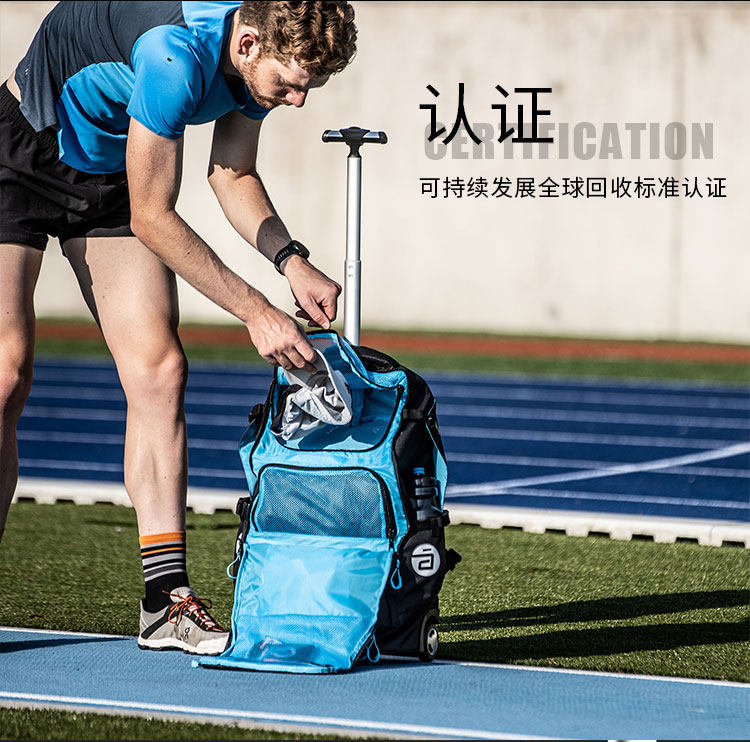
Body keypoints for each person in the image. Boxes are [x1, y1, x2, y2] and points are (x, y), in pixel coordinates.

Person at [0, 0, 356, 655]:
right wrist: (257, 311)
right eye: (290, 84)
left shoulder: (253, 56)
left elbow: (233, 173)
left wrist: (291, 260)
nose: (299, 100)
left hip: (111, 172)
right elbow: (153, 218)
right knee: (6, 374)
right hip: (18, 153)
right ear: (247, 44)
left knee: (160, 371)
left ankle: (164, 602)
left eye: (308, 86)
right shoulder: (174, 54)